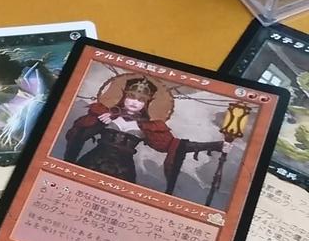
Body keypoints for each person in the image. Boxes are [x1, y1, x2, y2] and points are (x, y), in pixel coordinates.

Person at [64, 76, 228, 189]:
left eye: (141, 100)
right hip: (91, 163)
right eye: (131, 97)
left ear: (147, 103)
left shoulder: (148, 127)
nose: (135, 102)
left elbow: (176, 146)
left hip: (122, 171)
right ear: (124, 97)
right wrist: (98, 121)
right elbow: (77, 134)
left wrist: (216, 145)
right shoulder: (104, 115)